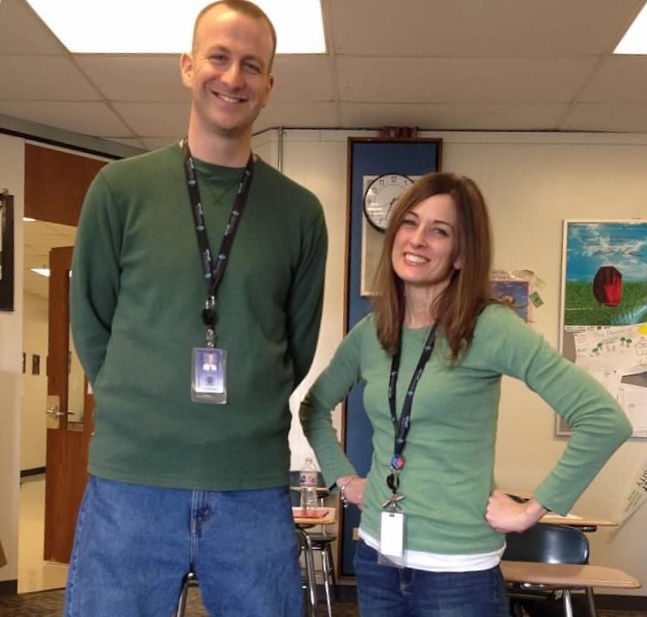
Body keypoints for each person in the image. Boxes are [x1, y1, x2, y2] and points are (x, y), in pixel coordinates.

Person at [66, 2, 327, 616]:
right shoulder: (119, 190)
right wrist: (145, 403)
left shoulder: (299, 213)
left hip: (251, 485)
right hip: (132, 480)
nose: (232, 78)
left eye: (250, 65)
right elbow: (92, 323)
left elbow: (296, 343)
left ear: (269, 84)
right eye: (218, 57)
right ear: (188, 66)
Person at [299, 172, 631, 617]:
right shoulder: (371, 334)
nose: (417, 240)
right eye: (409, 222)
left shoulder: (488, 327)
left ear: (460, 255)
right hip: (378, 557)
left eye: (439, 231)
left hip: (457, 573)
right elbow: (314, 407)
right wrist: (344, 478)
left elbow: (604, 419)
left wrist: (531, 509)